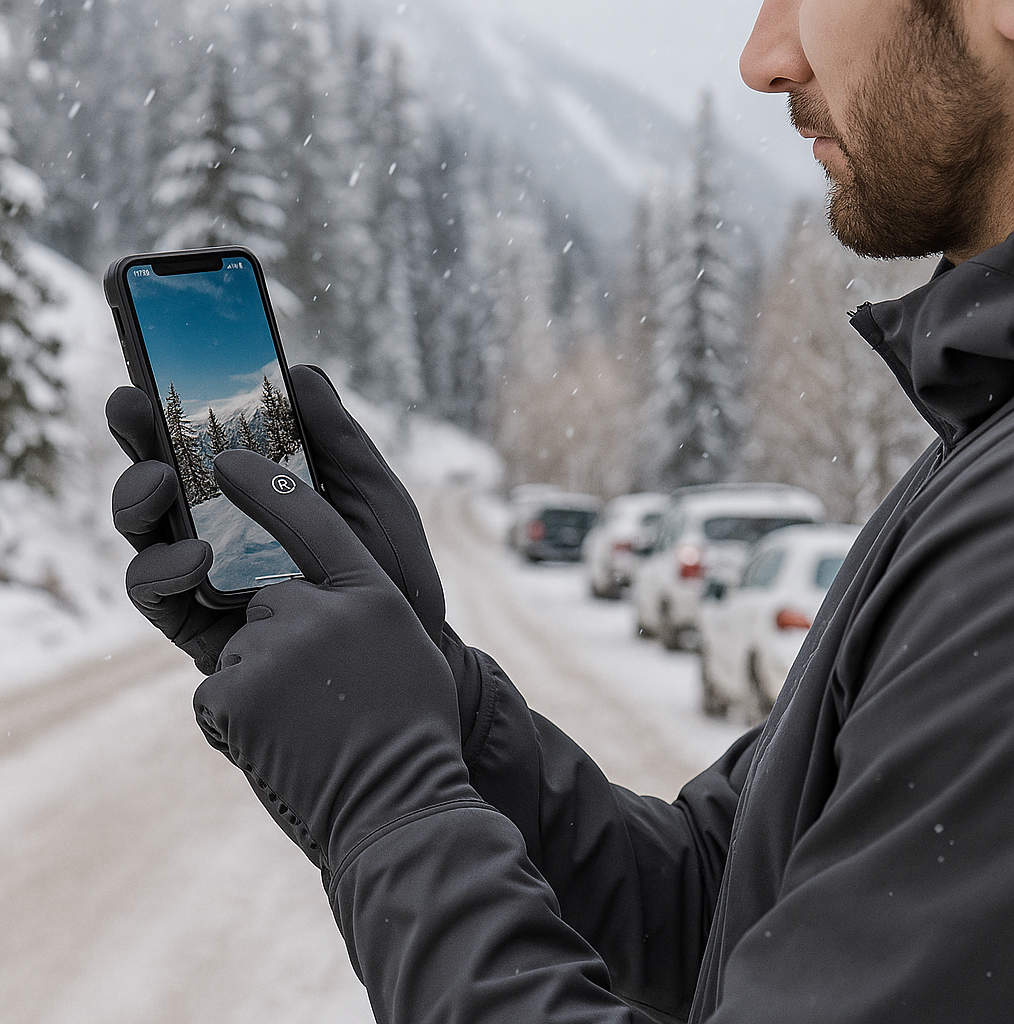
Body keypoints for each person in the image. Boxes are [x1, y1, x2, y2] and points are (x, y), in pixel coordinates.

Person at [105, 0, 1014, 1020]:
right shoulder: (976, 450)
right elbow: (711, 904)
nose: (765, 55)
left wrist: (387, 799)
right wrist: (428, 688)